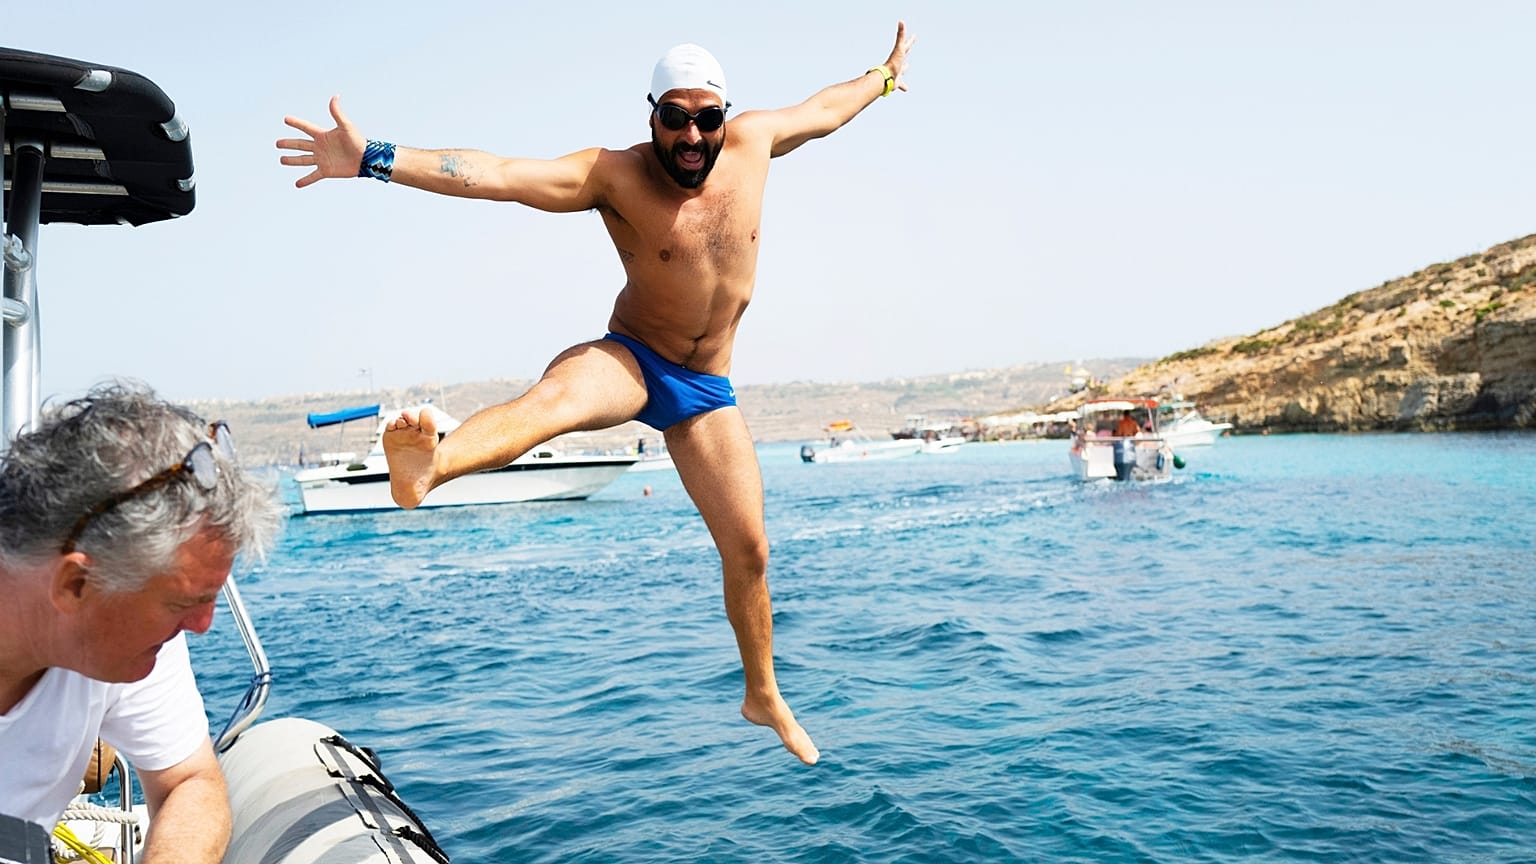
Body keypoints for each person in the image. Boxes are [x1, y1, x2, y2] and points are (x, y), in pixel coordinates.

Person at [277, 23, 916, 766]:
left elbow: (829, 107)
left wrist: (885, 76)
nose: (691, 134)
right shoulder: (612, 177)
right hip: (634, 358)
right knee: (551, 405)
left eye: (706, 118)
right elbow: (497, 174)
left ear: (723, 117)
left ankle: (762, 693)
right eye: (674, 116)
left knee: (749, 549)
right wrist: (371, 159)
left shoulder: (754, 142)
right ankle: (430, 468)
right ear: (651, 116)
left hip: (708, 387)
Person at [0, 382, 283, 861]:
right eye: (182, 604)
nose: (203, 625)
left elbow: (187, 782)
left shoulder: (132, 641)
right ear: (76, 584)